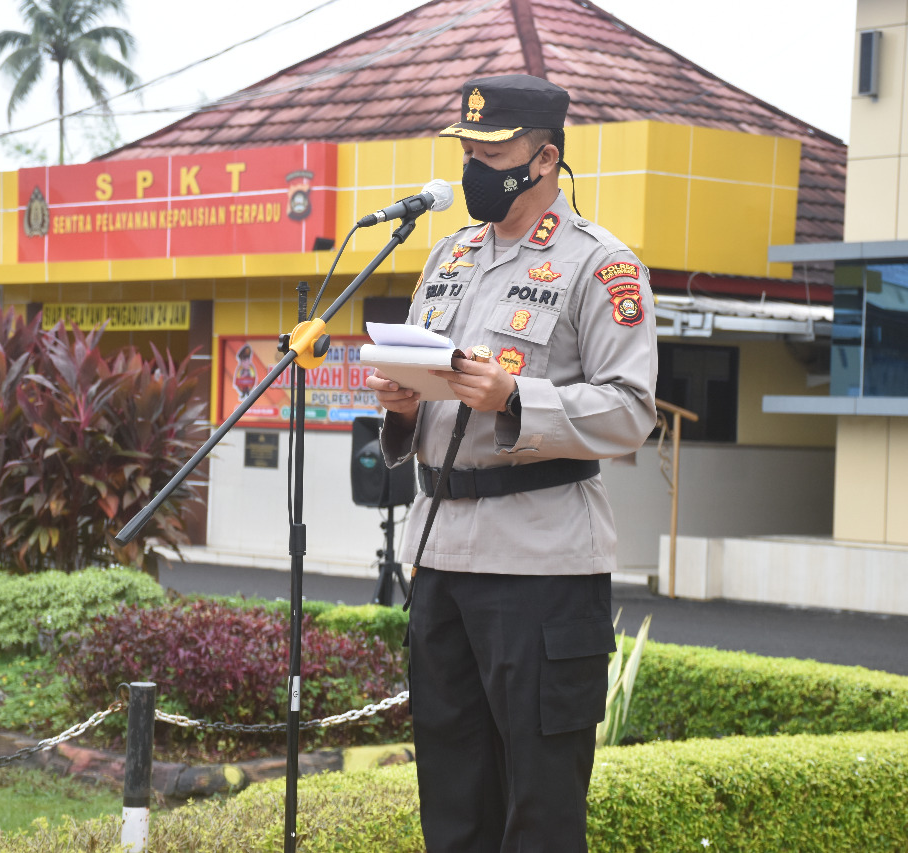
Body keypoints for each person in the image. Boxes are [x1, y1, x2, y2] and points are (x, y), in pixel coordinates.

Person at [364, 74, 658, 853]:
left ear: (545, 158)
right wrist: (402, 406)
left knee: (540, 805)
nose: (475, 167)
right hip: (440, 555)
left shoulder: (601, 264)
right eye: (468, 150)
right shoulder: (448, 255)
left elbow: (632, 409)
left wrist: (516, 397)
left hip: (541, 567)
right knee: (453, 800)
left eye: (493, 152)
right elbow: (433, 397)